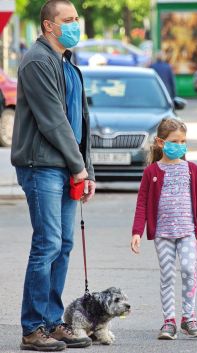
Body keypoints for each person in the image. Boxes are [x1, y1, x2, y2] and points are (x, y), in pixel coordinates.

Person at [11, 0, 95, 351]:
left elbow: (82, 124)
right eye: (69, 19)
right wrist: (77, 166)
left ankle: (51, 322)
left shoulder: (67, 65)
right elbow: (53, 121)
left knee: (63, 245)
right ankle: (33, 329)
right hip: (41, 165)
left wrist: (86, 169)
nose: (76, 24)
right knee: (47, 244)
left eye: (77, 18)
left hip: (66, 165)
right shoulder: (37, 61)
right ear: (49, 26)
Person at [131, 118, 197, 340]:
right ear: (160, 142)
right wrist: (137, 232)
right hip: (162, 234)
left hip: (187, 232)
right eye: (175, 141)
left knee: (188, 270)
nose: (180, 145)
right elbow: (142, 203)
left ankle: (189, 318)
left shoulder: (192, 170)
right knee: (167, 275)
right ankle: (169, 321)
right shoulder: (151, 172)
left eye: (183, 141)